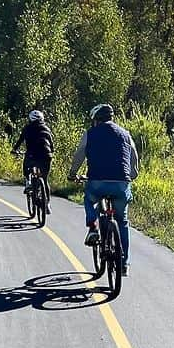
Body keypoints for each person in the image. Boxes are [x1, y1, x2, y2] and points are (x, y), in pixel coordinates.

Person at [68, 103, 139, 275]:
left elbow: (79, 155)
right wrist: (132, 174)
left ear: (96, 120)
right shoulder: (125, 134)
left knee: (89, 199)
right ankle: (124, 264)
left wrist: (72, 174)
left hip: (97, 182)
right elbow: (134, 157)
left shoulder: (90, 134)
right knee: (122, 221)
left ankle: (93, 227)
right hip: (122, 183)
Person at [12, 109, 53, 212]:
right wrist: (51, 152)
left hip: (32, 155)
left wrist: (14, 149)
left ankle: (28, 182)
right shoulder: (46, 128)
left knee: (26, 167)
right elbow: (51, 143)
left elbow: (20, 140)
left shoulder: (27, 128)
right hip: (46, 155)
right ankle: (47, 204)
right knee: (44, 179)